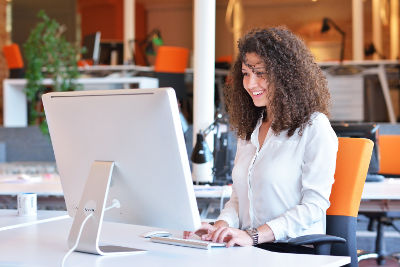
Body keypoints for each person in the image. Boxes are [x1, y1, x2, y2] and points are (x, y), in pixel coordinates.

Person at [184, 27, 338, 251]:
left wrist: (255, 236)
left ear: (286, 76)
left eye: (260, 73)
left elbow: (314, 206)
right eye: (246, 73)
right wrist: (219, 227)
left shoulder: (314, 127)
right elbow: (238, 199)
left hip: (293, 249)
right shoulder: (250, 130)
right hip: (248, 248)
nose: (250, 83)